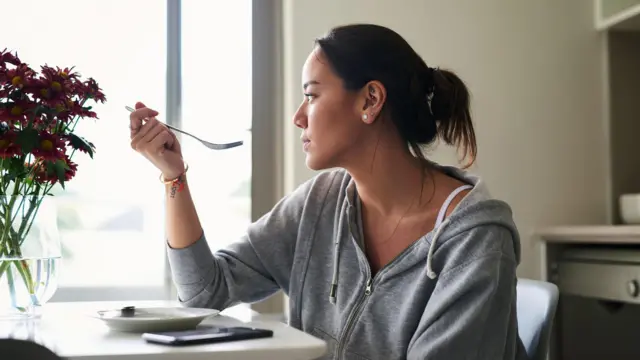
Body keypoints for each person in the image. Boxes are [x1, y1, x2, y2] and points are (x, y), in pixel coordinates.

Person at [129, 24, 528, 360]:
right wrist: (173, 177)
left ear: (370, 100)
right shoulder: (320, 203)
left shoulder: (474, 241)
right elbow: (204, 292)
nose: (298, 116)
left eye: (312, 95)